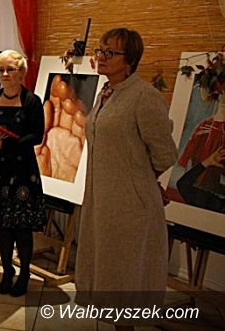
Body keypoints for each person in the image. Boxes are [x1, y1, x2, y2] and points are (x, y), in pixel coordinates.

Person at [75, 28, 177, 330]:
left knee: (124, 275)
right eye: (100, 50)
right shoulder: (105, 93)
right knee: (106, 270)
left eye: (111, 52)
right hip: (102, 199)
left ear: (129, 59)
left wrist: (141, 179)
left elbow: (165, 154)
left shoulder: (145, 97)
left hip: (130, 206)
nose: (102, 57)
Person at [0, 49, 46, 297]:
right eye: (0, 70)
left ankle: (24, 273)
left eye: (10, 69)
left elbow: (37, 136)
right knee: (3, 225)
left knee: (21, 226)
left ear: (22, 72)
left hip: (23, 170)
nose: (4, 74)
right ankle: (7, 271)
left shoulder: (32, 101)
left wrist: (7, 144)